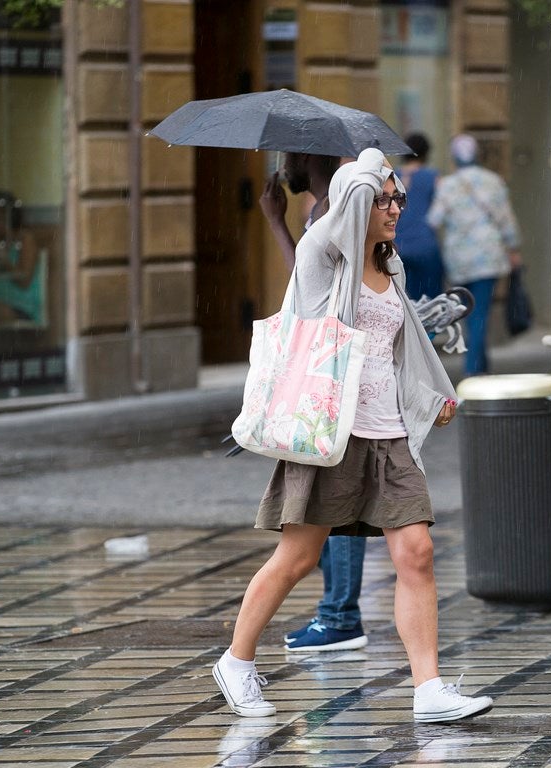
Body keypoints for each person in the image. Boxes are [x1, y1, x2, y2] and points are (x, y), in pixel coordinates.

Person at [214, 148, 493, 723]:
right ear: (359, 200)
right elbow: (332, 230)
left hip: (388, 432)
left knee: (417, 553)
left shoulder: (391, 267)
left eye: (400, 198)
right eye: (385, 197)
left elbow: (400, 347)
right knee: (297, 556)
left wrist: (429, 394)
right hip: (330, 432)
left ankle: (429, 689)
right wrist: (359, 176)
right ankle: (237, 662)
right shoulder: (324, 253)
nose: (396, 208)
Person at [258, 150, 372, 653]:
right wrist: (280, 223)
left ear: (308, 157)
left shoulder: (337, 212)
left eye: (288, 155)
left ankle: (340, 614)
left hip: (335, 374)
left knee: (337, 496)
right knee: (326, 498)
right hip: (325, 370)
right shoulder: (320, 211)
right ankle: (337, 611)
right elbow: (306, 284)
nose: (282, 165)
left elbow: (318, 297)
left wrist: (277, 225)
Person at [426, 133, 522, 376]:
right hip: (488, 256)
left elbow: (434, 220)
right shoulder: (493, 181)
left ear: (454, 158)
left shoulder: (447, 185)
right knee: (481, 312)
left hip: (458, 258)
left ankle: (477, 365)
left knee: (468, 312)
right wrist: (513, 247)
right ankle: (475, 368)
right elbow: (506, 220)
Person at [394, 133, 445, 300]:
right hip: (425, 245)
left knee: (405, 301)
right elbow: (440, 211)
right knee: (431, 302)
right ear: (426, 153)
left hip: (397, 246)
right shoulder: (433, 177)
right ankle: (428, 327)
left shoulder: (392, 176)